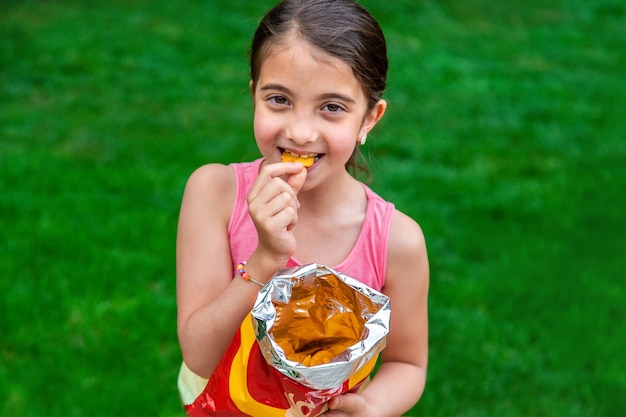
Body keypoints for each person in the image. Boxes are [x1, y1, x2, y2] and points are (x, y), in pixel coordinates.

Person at [176, 0, 429, 415]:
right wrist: (265, 259)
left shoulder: (396, 242)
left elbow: (408, 363)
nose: (300, 131)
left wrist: (372, 407)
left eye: (331, 107)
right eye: (279, 99)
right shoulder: (215, 193)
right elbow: (199, 356)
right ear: (254, 90)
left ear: (369, 119)